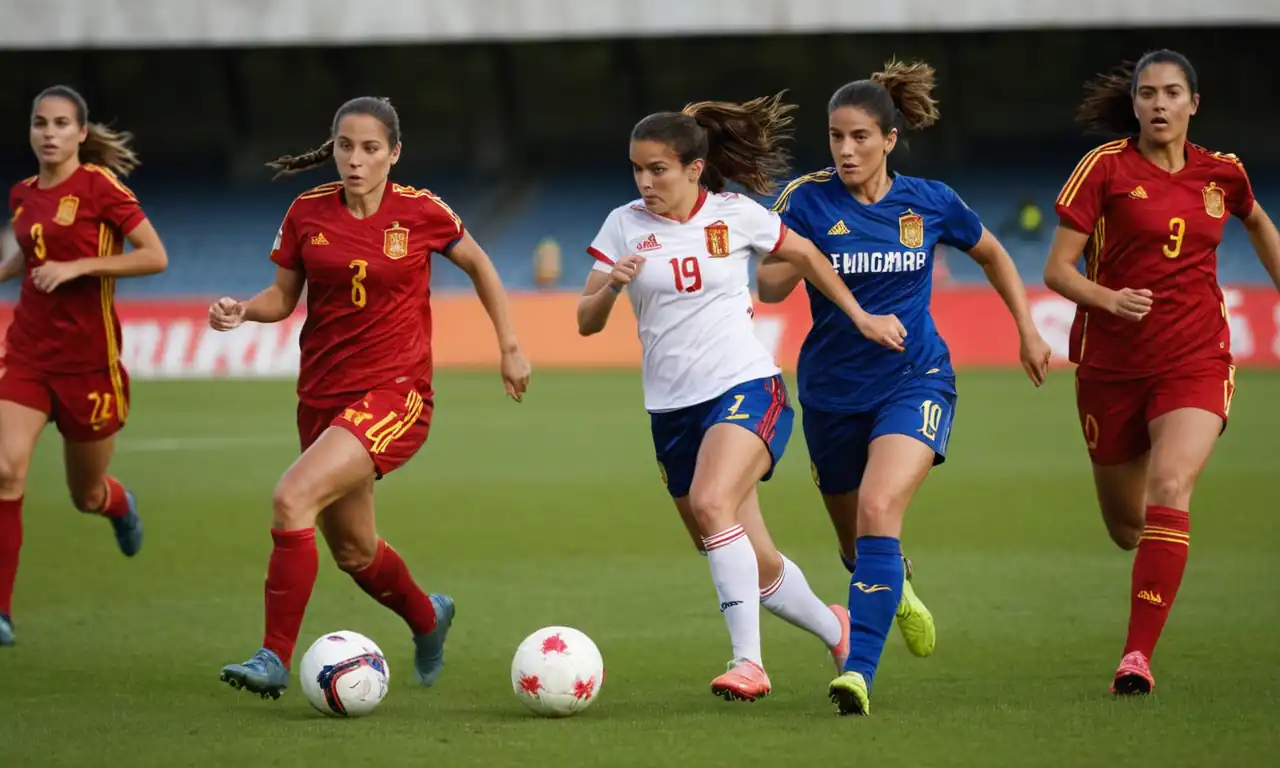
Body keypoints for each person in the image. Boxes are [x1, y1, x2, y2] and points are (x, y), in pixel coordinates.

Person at [578, 93, 900, 703]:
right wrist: (610, 288)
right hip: (672, 412)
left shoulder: (737, 214)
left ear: (693, 169)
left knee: (710, 501)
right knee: (749, 556)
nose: (645, 182)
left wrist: (857, 314)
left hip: (747, 387)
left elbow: (803, 252)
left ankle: (748, 664)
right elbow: (585, 322)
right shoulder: (623, 224)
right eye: (638, 170)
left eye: (658, 170)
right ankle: (838, 629)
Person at [757, 59, 1051, 715]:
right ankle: (899, 584)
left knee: (878, 511)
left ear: (889, 139)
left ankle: (857, 674)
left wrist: (1027, 330)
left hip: (914, 380)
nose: (845, 150)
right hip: (831, 392)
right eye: (836, 137)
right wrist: (793, 254)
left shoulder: (930, 201)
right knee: (854, 546)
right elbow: (769, 286)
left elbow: (995, 254)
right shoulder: (806, 198)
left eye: (860, 137)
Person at [212, 96, 530, 700]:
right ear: (332, 148)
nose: (355, 161)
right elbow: (283, 298)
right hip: (321, 399)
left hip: (395, 392)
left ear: (394, 154)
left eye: (369, 149)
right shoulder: (307, 212)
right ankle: (427, 618)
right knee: (354, 551)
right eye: (345, 147)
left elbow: (482, 266)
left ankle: (272, 658)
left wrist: (509, 347)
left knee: (291, 497)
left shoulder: (421, 211)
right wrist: (243, 311)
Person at [1043, 50, 1280, 695]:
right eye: (1147, 93)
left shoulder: (1222, 174)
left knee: (1170, 487)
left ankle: (1136, 659)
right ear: (1136, 104)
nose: (1158, 104)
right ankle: (1153, 552)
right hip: (1111, 367)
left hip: (1195, 358)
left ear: (1192, 103)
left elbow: (1256, 222)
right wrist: (1109, 299)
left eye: (1172, 93)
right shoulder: (1105, 169)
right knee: (1127, 528)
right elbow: (1057, 270)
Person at [0, 86, 168, 647]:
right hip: (28, 354)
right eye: (40, 122)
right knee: (5, 470)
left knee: (85, 494)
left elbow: (154, 255)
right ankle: (2, 612)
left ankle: (118, 505)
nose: (49, 133)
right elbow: (32, 248)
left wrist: (78, 268)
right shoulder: (22, 194)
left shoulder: (100, 187)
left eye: (61, 123)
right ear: (31, 130)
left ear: (79, 133)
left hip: (90, 366)